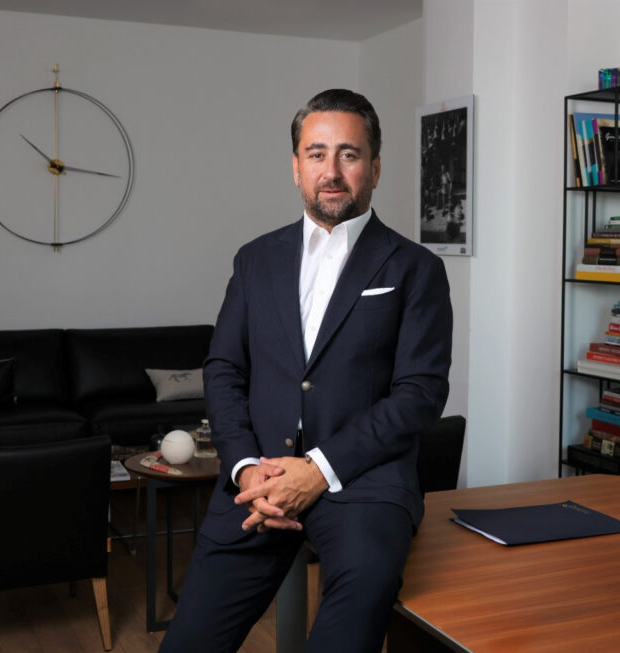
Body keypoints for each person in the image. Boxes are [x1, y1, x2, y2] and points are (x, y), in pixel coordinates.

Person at [159, 88, 453, 652]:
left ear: (375, 168)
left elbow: (420, 393)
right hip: (259, 482)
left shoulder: (416, 268)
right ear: (296, 168)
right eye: (317, 154)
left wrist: (319, 469)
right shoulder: (254, 259)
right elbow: (223, 370)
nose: (332, 171)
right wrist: (246, 469)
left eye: (349, 154)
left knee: (348, 627)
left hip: (363, 484)